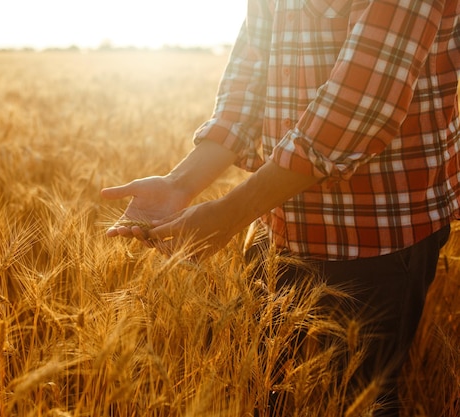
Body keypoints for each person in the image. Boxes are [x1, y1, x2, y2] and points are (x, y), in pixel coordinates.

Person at [101, 0, 459, 415]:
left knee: (355, 401)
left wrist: (228, 216)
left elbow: (358, 108)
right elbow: (248, 85)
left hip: (374, 234)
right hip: (275, 225)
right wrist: (179, 185)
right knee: (258, 391)